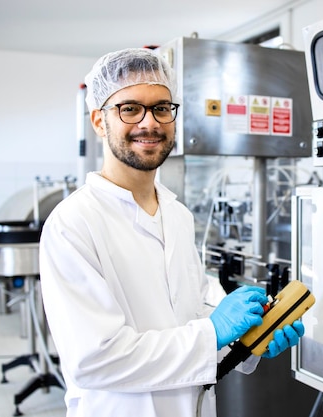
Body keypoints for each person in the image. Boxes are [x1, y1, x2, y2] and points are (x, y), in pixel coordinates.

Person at [38, 47, 305, 417]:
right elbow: (94, 359)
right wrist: (214, 331)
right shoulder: (73, 224)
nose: (150, 123)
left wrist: (249, 341)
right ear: (100, 121)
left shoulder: (177, 214)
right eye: (130, 108)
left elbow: (196, 314)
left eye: (162, 108)